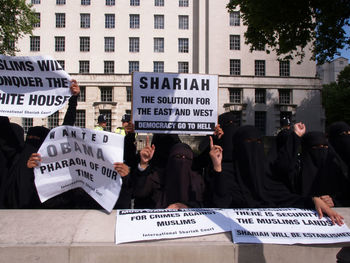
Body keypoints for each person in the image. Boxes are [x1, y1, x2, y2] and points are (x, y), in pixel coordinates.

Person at [209, 125, 344, 225]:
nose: (253, 147)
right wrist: (217, 167)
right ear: (237, 145)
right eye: (248, 142)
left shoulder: (266, 173)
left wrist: (313, 200)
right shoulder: (226, 172)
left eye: (258, 142)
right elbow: (220, 202)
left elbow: (285, 198)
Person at [131, 136, 205, 209]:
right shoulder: (157, 177)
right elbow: (140, 192)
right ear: (170, 159)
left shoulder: (197, 180)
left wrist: (188, 207)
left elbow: (203, 203)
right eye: (178, 156)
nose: (182, 161)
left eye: (186, 158)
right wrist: (143, 164)